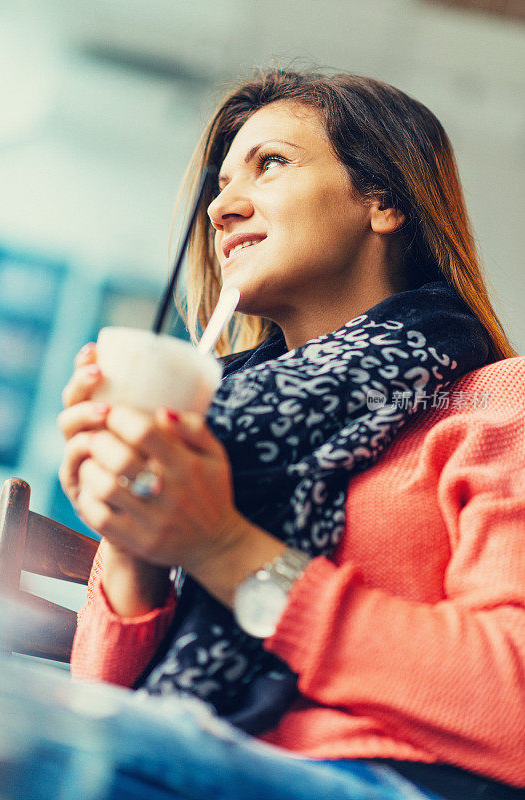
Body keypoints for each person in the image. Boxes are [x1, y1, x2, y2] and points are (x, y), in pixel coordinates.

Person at [57, 70, 524, 800]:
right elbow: (108, 701)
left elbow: (513, 702)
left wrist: (221, 549)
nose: (220, 207)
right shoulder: (220, 421)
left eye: (270, 162)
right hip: (195, 757)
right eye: (221, 183)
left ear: (385, 200)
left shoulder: (495, 402)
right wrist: (134, 530)